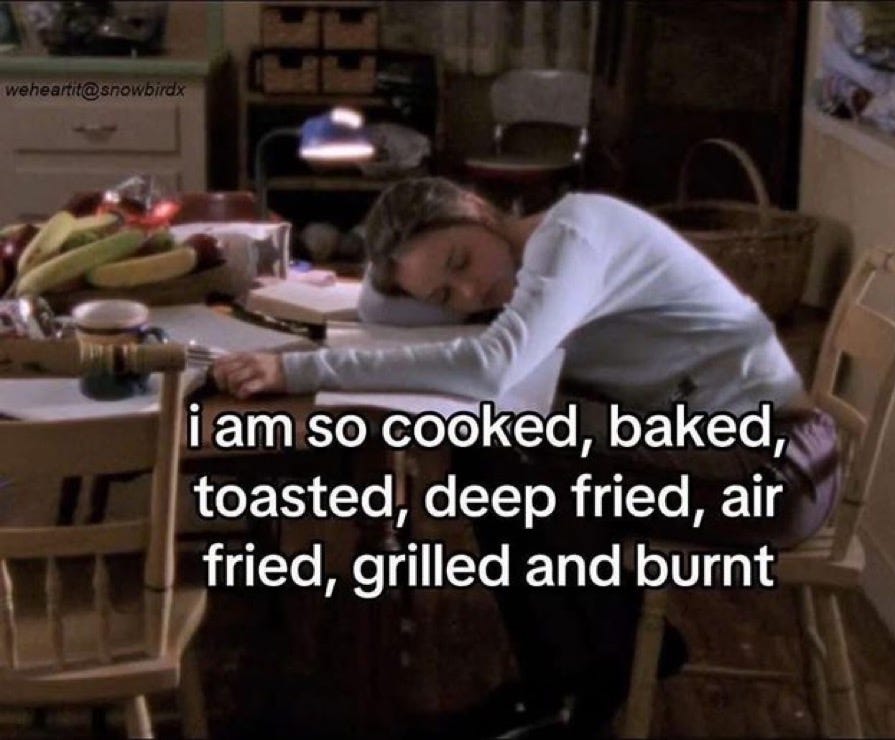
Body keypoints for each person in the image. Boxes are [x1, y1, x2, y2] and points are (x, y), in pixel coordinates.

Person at [212, 178, 840, 738]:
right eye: (444, 294)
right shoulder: (530, 261)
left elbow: (494, 366)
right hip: (710, 448)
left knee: (515, 456)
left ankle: (576, 679)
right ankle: (585, 667)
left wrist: (301, 370)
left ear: (476, 209)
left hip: (768, 469)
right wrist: (408, 273)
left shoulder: (575, 234)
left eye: (461, 261)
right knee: (490, 452)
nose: (469, 291)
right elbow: (383, 310)